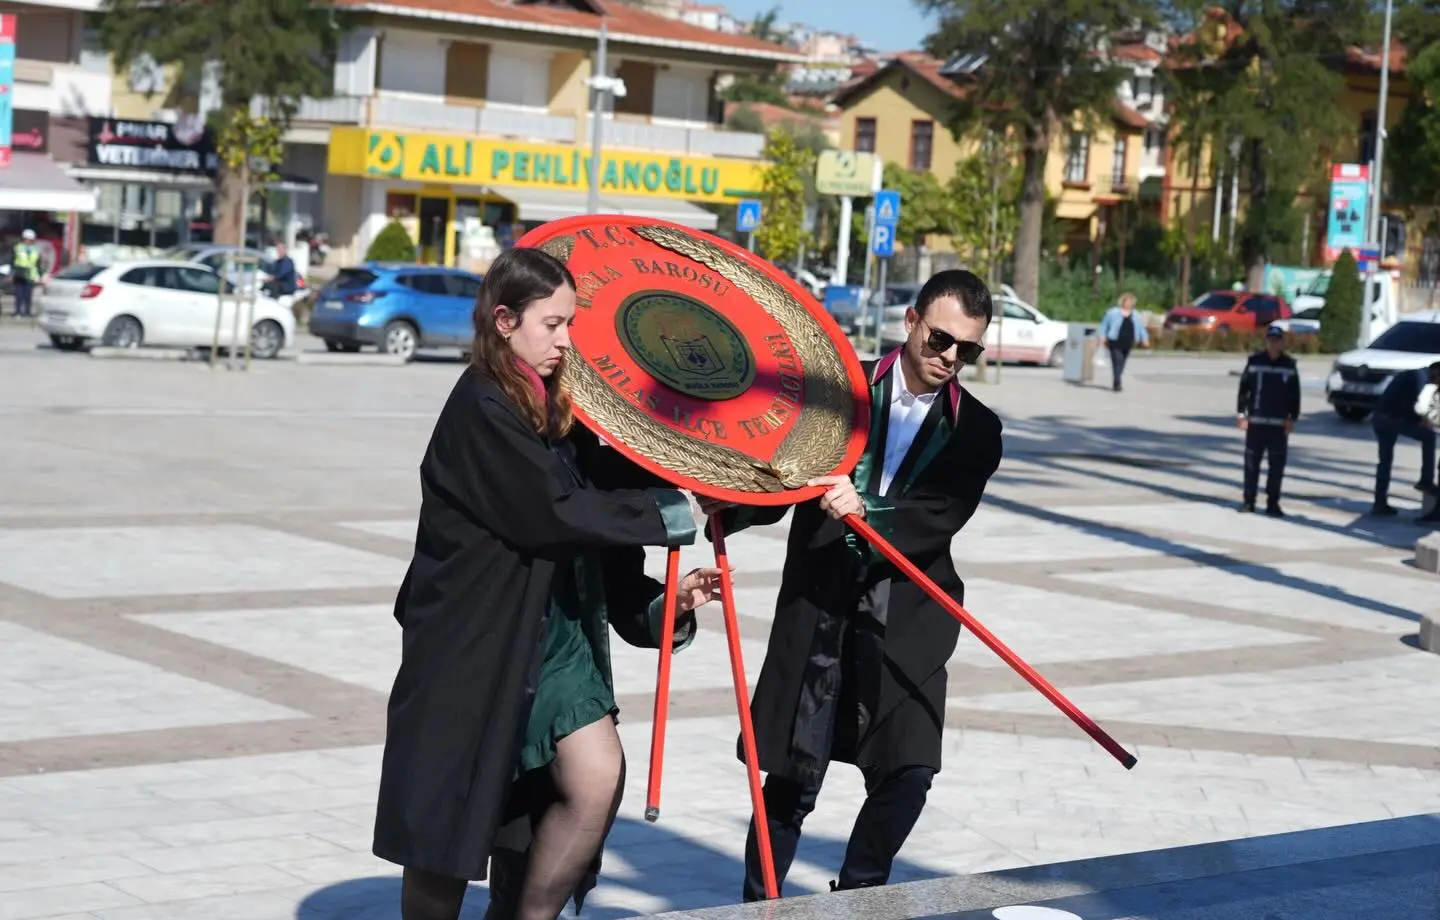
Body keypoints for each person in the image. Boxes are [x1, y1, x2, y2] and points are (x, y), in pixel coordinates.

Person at [372, 247, 724, 920]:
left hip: (556, 651)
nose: (565, 341)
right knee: (443, 854)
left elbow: (604, 544)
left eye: (570, 325)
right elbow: (553, 515)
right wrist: (669, 511)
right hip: (474, 650)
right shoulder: (482, 408)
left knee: (595, 778)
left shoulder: (561, 414)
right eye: (551, 324)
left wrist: (667, 600)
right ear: (504, 321)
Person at [705, 269, 1004, 901]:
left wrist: (867, 510)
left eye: (967, 350)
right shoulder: (837, 390)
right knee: (790, 777)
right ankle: (761, 908)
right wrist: (725, 504)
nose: (950, 358)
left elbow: (940, 514)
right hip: (821, 604)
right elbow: (782, 474)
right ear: (911, 323)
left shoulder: (978, 430)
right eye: (940, 340)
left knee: (911, 769)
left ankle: (861, 897)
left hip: (908, 614)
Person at [1235, 326, 1302, 517]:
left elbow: (1295, 395)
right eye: (1270, 340)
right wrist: (1241, 414)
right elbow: (1244, 389)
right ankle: (1249, 501)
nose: (1273, 343)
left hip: (1278, 426)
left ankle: (1273, 503)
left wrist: (1292, 417)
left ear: (1282, 343)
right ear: (1265, 342)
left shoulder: (1289, 365)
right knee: (1251, 464)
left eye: (1277, 340)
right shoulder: (1254, 361)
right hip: (1256, 423)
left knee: (1277, 467)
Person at [1369, 361, 1438, 518]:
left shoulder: (1416, 375)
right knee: (1429, 437)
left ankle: (1379, 503)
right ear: (1436, 372)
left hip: (1381, 418)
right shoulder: (1419, 376)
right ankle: (1426, 479)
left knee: (1384, 462)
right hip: (1391, 420)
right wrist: (1423, 420)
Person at [1096, 292, 1150, 391]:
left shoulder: (1136, 315)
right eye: (1127, 301)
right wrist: (1102, 336)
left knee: (1122, 362)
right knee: (1117, 360)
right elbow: (1104, 325)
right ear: (1122, 302)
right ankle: (1117, 382)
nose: (1129, 303)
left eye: (1131, 302)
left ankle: (1117, 378)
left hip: (1128, 341)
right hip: (1115, 340)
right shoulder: (1112, 313)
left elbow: (1141, 328)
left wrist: (1145, 339)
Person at [10, 229, 41, 318]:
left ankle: (27, 311)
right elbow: (12, 261)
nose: (28, 241)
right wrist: (11, 273)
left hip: (30, 275)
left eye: (30, 239)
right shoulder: (17, 248)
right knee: (18, 294)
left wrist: (39, 275)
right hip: (19, 274)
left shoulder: (36, 249)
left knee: (28, 295)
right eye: (26, 239)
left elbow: (38, 264)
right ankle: (18, 311)